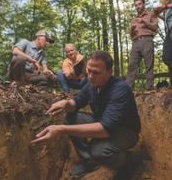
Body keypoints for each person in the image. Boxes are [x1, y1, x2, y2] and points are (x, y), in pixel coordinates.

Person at [30, 50, 141, 180]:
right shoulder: (91, 84)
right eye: (89, 71)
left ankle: (127, 162)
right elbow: (76, 103)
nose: (90, 76)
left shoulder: (120, 89)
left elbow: (104, 130)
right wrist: (65, 103)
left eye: (96, 72)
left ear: (109, 73)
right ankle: (88, 162)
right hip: (103, 121)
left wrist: (60, 130)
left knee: (97, 150)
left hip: (126, 130)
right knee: (69, 117)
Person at [126, 0, 158, 91]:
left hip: (147, 40)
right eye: (136, 5)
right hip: (136, 43)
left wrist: (144, 21)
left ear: (144, 4)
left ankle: (150, 89)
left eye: (139, 4)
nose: (137, 7)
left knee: (148, 65)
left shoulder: (151, 15)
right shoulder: (133, 19)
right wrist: (131, 29)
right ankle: (128, 90)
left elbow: (155, 27)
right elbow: (132, 35)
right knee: (131, 66)